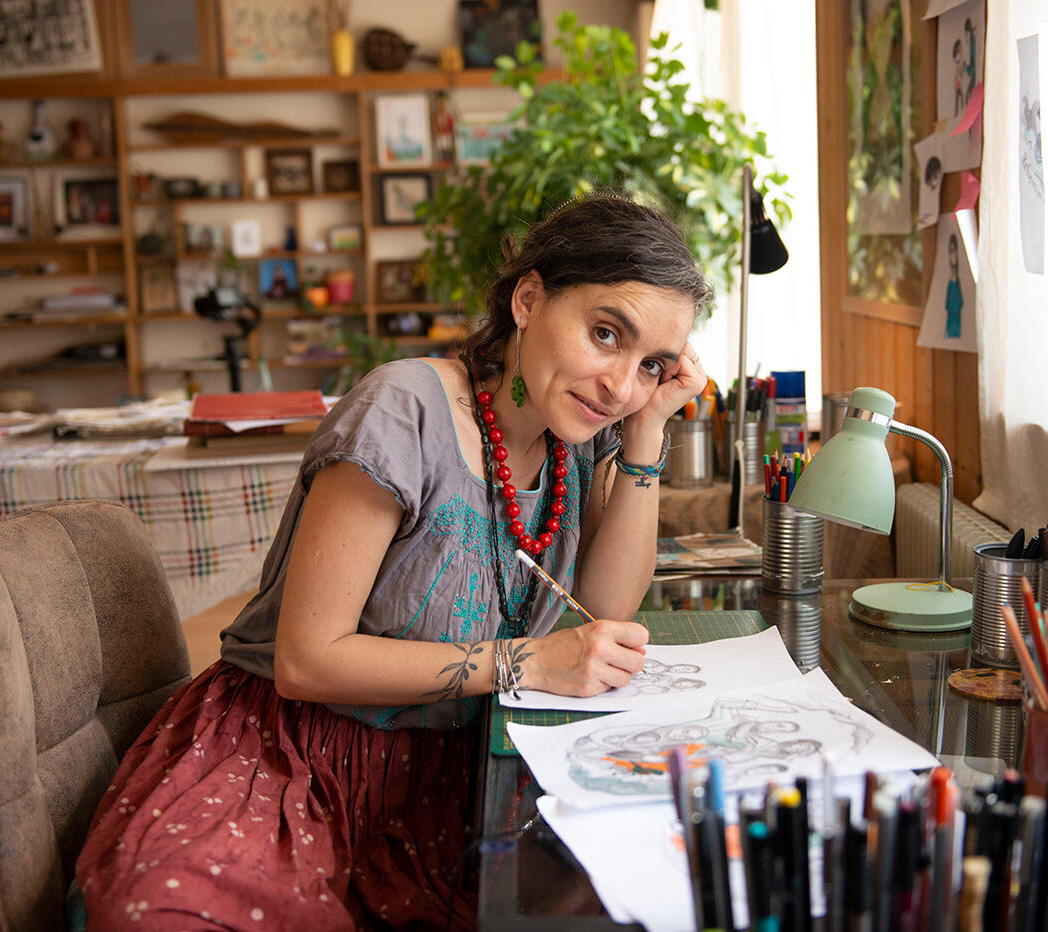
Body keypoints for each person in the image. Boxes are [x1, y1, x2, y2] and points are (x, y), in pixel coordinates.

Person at [75, 194, 711, 929]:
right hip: (290, 759)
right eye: (605, 333)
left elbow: (602, 613)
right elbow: (306, 662)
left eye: (651, 365)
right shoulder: (403, 408)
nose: (619, 384)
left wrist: (647, 432)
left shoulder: (585, 435)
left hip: (450, 780)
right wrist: (527, 663)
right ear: (529, 298)